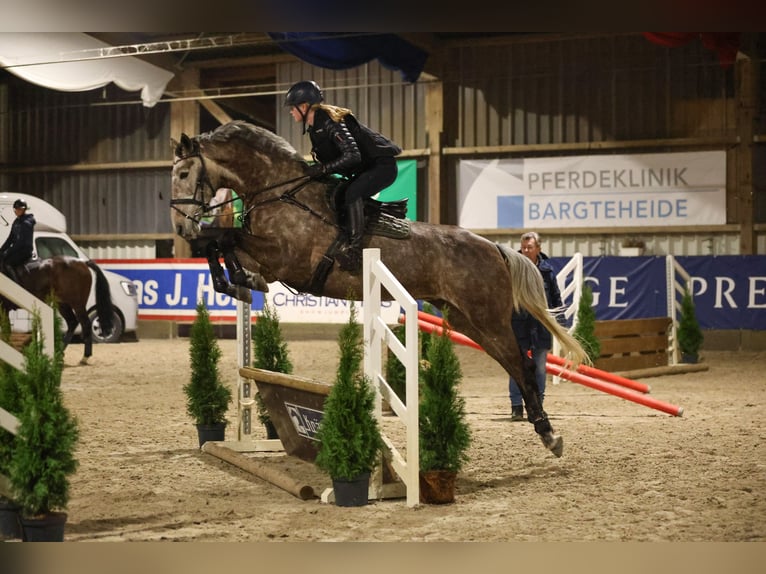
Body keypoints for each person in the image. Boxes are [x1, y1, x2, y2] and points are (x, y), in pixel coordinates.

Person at [284, 80, 402, 272]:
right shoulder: (315, 128)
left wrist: (322, 169)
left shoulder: (330, 121)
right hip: (367, 168)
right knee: (337, 193)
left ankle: (354, 252)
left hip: (382, 167)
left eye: (293, 108)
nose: (291, 112)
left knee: (352, 193)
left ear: (304, 106)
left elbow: (352, 156)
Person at [509, 231, 565, 422]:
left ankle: (538, 406)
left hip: (540, 325)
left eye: (529, 248)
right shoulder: (512, 268)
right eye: (523, 247)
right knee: (517, 367)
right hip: (518, 324)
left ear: (538, 249)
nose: (525, 251)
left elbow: (556, 297)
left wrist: (560, 322)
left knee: (540, 369)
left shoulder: (547, 271)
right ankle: (516, 407)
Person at [0, 198, 36, 284]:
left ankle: (16, 284)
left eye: (20, 209)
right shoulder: (16, 222)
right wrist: (1, 250)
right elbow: (10, 239)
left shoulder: (26, 222)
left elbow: (21, 242)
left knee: (8, 263)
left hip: (25, 250)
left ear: (24, 210)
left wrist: (8, 251)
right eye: (16, 209)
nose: (18, 211)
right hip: (17, 249)